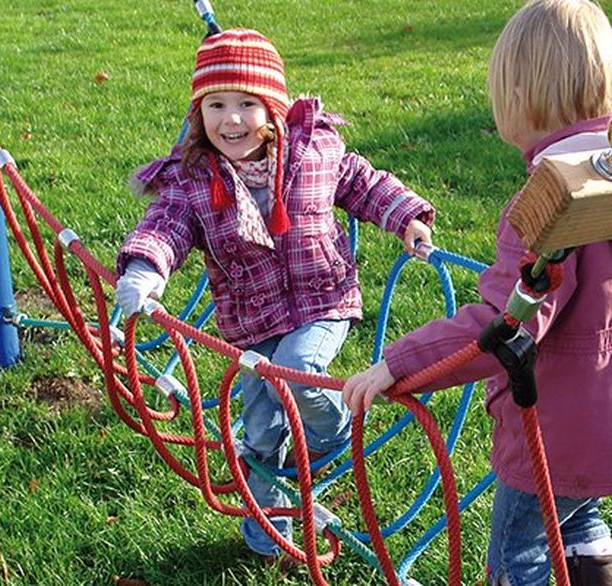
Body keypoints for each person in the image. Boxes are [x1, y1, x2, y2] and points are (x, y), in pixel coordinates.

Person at [342, 1, 612, 584]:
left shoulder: (545, 209)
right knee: (576, 510)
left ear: (517, 100)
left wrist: (398, 364)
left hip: (557, 434)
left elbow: (503, 326)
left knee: (519, 548)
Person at [115, 28, 435, 563]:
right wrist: (146, 269)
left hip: (321, 299)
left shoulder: (315, 150)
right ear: (199, 113)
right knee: (261, 430)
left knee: (298, 367)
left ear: (274, 108)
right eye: (216, 105)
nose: (231, 120)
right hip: (251, 321)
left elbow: (365, 184)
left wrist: (408, 220)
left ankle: (332, 434)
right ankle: (269, 535)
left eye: (246, 103)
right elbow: (165, 225)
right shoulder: (195, 179)